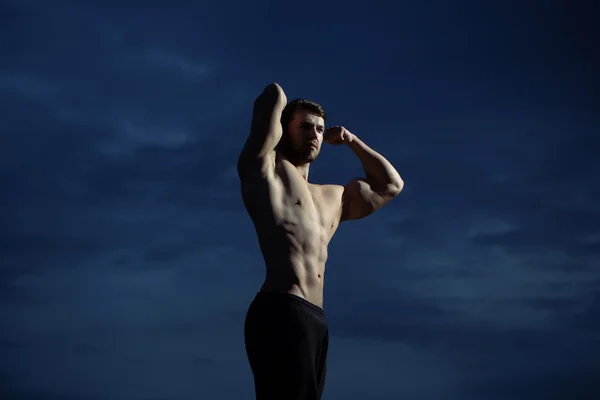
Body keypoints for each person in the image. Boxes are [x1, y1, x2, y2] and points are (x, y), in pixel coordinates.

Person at [238, 83, 404, 400]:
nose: (314, 134)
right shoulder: (265, 173)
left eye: (319, 129)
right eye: (304, 127)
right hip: (281, 308)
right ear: (285, 130)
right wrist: (284, 103)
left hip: (315, 318)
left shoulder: (333, 197)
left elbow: (391, 184)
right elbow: (272, 96)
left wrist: (352, 141)